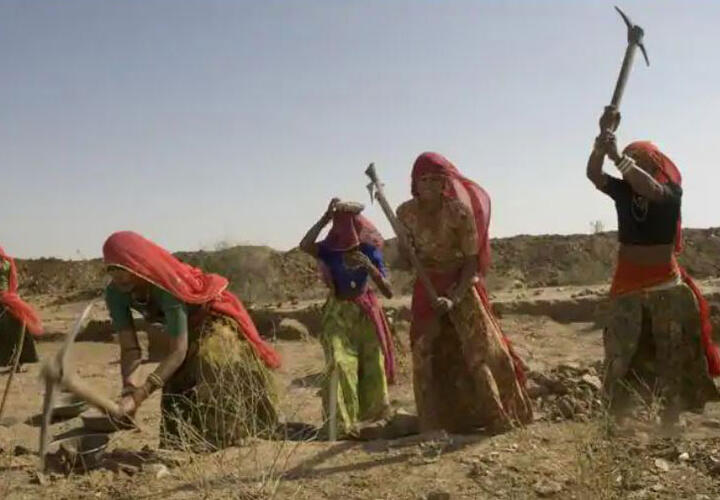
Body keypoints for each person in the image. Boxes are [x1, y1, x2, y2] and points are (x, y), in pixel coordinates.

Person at [587, 106, 720, 427]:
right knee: (620, 353)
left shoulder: (669, 193)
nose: (634, 166)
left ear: (656, 166)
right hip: (627, 284)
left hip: (665, 284)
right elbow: (594, 175)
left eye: (641, 160)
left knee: (671, 354)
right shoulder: (623, 192)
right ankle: (616, 418)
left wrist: (618, 154)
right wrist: (599, 145)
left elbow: (650, 188)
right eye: (633, 160)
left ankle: (671, 418)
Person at [103, 231, 280, 448]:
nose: (117, 276)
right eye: (111, 270)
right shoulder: (115, 294)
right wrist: (129, 389)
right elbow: (130, 349)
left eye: (124, 269)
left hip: (211, 320)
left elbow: (177, 351)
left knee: (213, 370)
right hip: (184, 327)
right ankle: (180, 444)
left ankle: (229, 437)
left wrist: (141, 395)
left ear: (138, 265)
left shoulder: (166, 287)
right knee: (175, 393)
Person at [396, 152, 532, 434]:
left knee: (480, 348)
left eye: (437, 179)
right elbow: (402, 261)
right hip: (426, 284)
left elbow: (472, 263)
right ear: (415, 183)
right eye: (425, 180)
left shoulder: (459, 213)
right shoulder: (405, 213)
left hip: (459, 281)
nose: (431, 185)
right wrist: (405, 251)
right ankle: (434, 424)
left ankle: (499, 416)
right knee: (424, 350)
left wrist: (454, 296)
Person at [300, 199, 395, 438]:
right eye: (338, 220)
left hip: (364, 311)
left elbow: (389, 290)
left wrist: (372, 269)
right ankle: (341, 424)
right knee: (339, 362)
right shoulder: (328, 249)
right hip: (337, 311)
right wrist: (323, 218)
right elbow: (304, 245)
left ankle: (373, 419)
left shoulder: (369, 249)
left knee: (373, 362)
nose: (345, 226)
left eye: (349, 220)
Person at [0, 245, 42, 367]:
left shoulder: (7, 263)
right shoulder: (7, 262)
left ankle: (20, 360)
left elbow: (11, 282)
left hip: (7, 299)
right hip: (7, 299)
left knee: (20, 326)